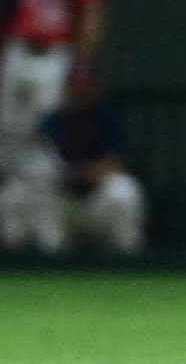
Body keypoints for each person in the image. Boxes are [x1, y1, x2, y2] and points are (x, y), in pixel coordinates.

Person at [0, 0, 104, 177]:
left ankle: (42, 214)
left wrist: (83, 61)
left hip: (54, 54)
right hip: (18, 50)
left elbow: (89, 11)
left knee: (42, 132)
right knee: (7, 133)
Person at [0, 65, 146, 254]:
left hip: (97, 196)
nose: (81, 91)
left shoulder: (107, 118)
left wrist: (86, 173)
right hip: (61, 197)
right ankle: (48, 269)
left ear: (95, 88)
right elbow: (40, 162)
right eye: (76, 86)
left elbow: (117, 162)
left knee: (125, 192)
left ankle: (129, 262)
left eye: (85, 86)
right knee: (25, 195)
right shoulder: (54, 121)